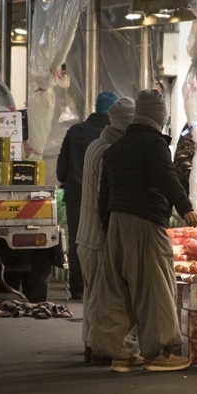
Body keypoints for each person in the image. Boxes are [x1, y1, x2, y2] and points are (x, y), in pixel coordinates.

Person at [90, 89, 197, 373]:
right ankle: (161, 353)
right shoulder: (153, 144)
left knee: (117, 289)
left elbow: (104, 195)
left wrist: (108, 228)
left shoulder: (116, 147)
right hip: (145, 222)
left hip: (117, 222)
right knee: (155, 287)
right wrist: (185, 206)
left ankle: (121, 354)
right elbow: (166, 176)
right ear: (159, 118)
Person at [75, 97, 136, 363]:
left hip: (84, 236)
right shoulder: (108, 151)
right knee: (104, 300)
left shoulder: (94, 146)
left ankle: (90, 347)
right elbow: (104, 199)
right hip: (99, 239)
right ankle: (102, 351)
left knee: (92, 297)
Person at [57, 91, 119, 300]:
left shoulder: (75, 131)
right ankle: (102, 288)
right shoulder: (115, 135)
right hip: (105, 197)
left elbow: (61, 169)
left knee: (77, 241)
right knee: (105, 240)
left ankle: (77, 288)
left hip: (76, 195)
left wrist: (68, 180)